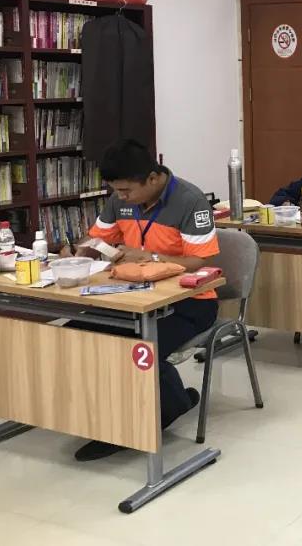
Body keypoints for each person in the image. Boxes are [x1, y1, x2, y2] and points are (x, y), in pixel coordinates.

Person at [72, 139, 220, 461]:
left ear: (153, 178)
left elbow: (201, 261)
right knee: (75, 334)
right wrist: (78, 252)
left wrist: (150, 257)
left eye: (126, 191)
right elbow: (98, 238)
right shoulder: (120, 200)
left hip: (190, 302)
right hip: (132, 298)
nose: (121, 197)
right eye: (116, 191)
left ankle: (137, 424)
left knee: (131, 347)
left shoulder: (190, 200)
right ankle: (161, 403)